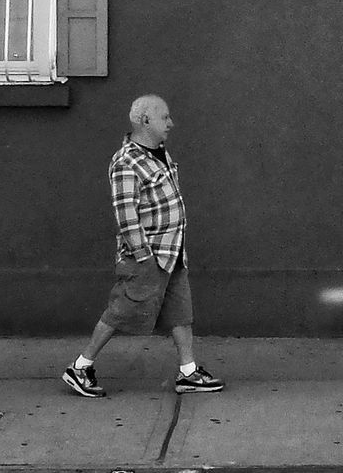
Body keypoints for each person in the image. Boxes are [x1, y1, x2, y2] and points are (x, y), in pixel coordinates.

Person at [62, 94, 225, 397]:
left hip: (172, 252)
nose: (171, 124)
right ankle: (80, 367)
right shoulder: (126, 162)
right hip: (148, 256)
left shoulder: (157, 154)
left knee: (180, 313)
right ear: (145, 120)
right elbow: (125, 215)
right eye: (165, 117)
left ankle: (188, 372)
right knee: (120, 311)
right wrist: (143, 257)